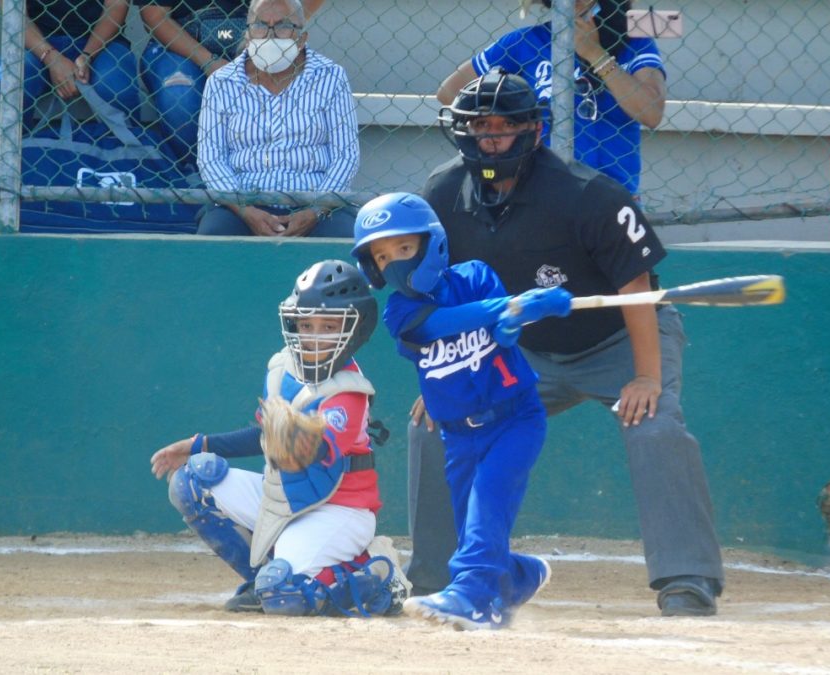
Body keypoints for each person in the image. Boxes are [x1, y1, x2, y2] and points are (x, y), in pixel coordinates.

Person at [405, 68, 725, 617]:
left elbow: (637, 289)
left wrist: (645, 376)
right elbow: (442, 294)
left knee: (654, 426)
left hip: (619, 340)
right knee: (434, 423)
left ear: (534, 130)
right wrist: (447, 377)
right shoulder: (441, 194)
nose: (491, 138)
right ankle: (439, 577)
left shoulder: (587, 195)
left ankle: (687, 579)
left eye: (505, 126)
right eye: (480, 126)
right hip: (522, 349)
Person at [351, 192, 571, 630]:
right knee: (472, 525)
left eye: (404, 248)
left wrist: (519, 317)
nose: (395, 264)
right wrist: (509, 306)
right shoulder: (400, 312)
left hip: (514, 419)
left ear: (431, 243)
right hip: (457, 435)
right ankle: (518, 576)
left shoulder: (476, 276)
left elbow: (503, 335)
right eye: (382, 257)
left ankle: (472, 598)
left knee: (488, 500)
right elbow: (443, 324)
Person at [148, 259, 406, 617]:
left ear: (355, 330)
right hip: (286, 496)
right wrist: (199, 444)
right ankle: (263, 579)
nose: (314, 336)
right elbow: (266, 437)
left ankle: (372, 576)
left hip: (338, 511)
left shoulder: (349, 392)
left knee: (284, 596)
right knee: (192, 481)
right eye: (306, 325)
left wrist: (296, 434)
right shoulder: (283, 371)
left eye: (329, 326)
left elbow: (314, 452)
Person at [436, 0, 665, 194]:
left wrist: (595, 54)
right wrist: (512, 118)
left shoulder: (634, 43)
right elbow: (449, 91)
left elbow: (652, 113)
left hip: (613, 196)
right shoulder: (527, 42)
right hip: (542, 193)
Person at [194, 0, 360, 237]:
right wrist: (245, 210)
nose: (270, 35)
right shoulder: (221, 82)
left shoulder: (331, 77)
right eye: (260, 25)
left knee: (342, 237)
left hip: (316, 200)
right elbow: (211, 159)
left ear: (302, 38)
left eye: (283, 26)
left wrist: (315, 211)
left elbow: (346, 156)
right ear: (247, 35)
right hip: (242, 202)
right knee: (214, 234)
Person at [140, 0, 325, 169]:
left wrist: (279, 30)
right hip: (180, 43)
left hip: (256, 35)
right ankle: (196, 174)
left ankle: (261, 173)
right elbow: (153, 16)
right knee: (179, 96)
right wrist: (209, 62)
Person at [0, 0, 140, 145]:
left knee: (117, 89)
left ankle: (127, 158)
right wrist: (50, 57)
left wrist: (87, 55)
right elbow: (13, 13)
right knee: (8, 85)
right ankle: (10, 158)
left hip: (101, 42)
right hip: (36, 41)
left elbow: (116, 5)